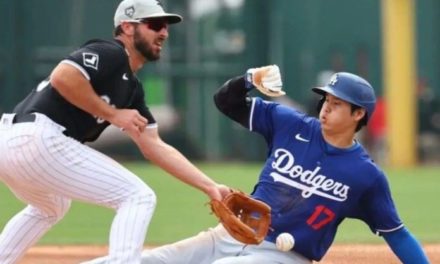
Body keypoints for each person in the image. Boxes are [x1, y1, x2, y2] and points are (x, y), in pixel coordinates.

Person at [85, 65, 431, 264]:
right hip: (234, 234)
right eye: (326, 99)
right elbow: (226, 101)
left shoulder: (365, 176)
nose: (326, 106)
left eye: (338, 104)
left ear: (359, 115)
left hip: (286, 257)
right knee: (147, 262)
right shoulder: (289, 124)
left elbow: (396, 234)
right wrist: (249, 79)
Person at [0, 0, 231, 263]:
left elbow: (154, 145)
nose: (164, 32)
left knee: (51, 206)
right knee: (138, 196)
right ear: (128, 27)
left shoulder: (131, 90)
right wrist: (112, 113)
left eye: (166, 26)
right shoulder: (111, 52)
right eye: (155, 24)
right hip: (38, 137)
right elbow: (63, 77)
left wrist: (209, 186)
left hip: (13, 144)